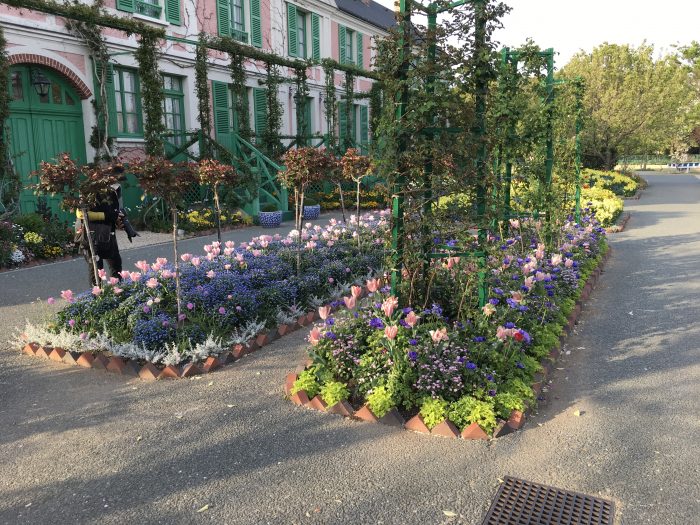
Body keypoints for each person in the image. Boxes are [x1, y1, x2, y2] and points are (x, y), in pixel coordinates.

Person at [76, 183, 124, 287]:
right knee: (96, 268)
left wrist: (117, 219)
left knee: (116, 264)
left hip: (108, 233)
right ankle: (97, 297)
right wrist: (108, 216)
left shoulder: (116, 187)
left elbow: (116, 210)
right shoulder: (88, 189)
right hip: (91, 234)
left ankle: (117, 292)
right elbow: (80, 213)